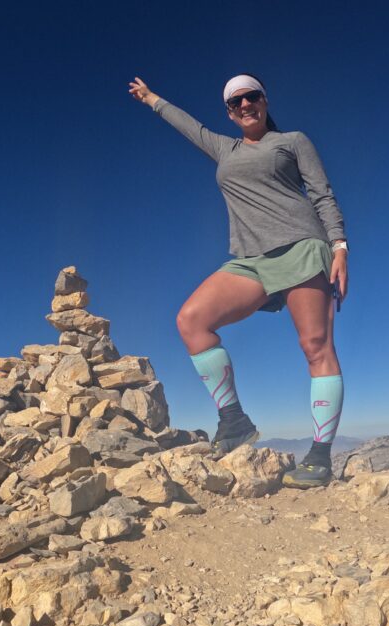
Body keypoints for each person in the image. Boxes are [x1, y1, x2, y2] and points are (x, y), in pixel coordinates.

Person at [128, 74, 350, 489]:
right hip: (250, 260)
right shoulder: (223, 148)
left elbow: (321, 193)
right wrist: (152, 98)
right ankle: (234, 421)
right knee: (191, 320)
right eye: (235, 102)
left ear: (265, 100)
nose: (245, 105)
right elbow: (188, 126)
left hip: (301, 247)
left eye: (252, 97)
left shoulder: (293, 141)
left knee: (315, 346)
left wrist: (339, 246)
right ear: (229, 112)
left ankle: (320, 457)